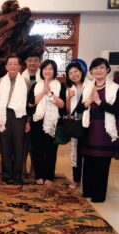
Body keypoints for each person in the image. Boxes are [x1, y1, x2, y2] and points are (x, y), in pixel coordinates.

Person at [81, 57, 119, 202]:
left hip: (105, 130)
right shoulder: (88, 87)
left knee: (101, 164)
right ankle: (88, 191)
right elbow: (79, 108)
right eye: (95, 68)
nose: (98, 70)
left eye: (101, 67)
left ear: (107, 70)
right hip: (89, 128)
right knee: (89, 162)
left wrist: (98, 102)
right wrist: (89, 101)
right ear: (91, 71)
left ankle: (99, 195)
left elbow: (116, 110)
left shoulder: (115, 88)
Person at [27, 59, 66, 186]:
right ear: (41, 70)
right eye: (45, 69)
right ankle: (39, 175)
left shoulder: (60, 85)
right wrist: (43, 91)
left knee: (50, 150)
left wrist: (50, 93)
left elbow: (62, 105)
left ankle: (49, 176)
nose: (48, 71)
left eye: (50, 69)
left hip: (53, 122)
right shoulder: (36, 85)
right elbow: (30, 103)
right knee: (37, 150)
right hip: (37, 121)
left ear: (54, 71)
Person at [0, 56, 29, 185]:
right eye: (10, 63)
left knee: (19, 146)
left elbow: (29, 104)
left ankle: (18, 175)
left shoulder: (26, 82)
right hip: (4, 116)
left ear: (20, 67)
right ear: (6, 67)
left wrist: (28, 121)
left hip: (19, 117)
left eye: (15, 64)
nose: (12, 66)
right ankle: (7, 174)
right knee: (6, 147)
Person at [65, 59, 88, 190]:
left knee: (88, 152)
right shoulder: (69, 88)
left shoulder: (90, 85)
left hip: (88, 123)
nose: (74, 74)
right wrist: (68, 98)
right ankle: (76, 180)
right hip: (75, 125)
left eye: (76, 71)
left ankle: (88, 179)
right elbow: (68, 111)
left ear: (81, 72)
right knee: (75, 153)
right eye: (71, 73)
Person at [21, 54, 42, 176]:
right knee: (24, 142)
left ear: (40, 62)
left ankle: (34, 167)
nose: (32, 63)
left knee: (36, 142)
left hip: (38, 114)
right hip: (24, 113)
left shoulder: (43, 76)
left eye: (35, 61)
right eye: (30, 60)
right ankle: (22, 166)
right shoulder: (21, 77)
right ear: (26, 62)